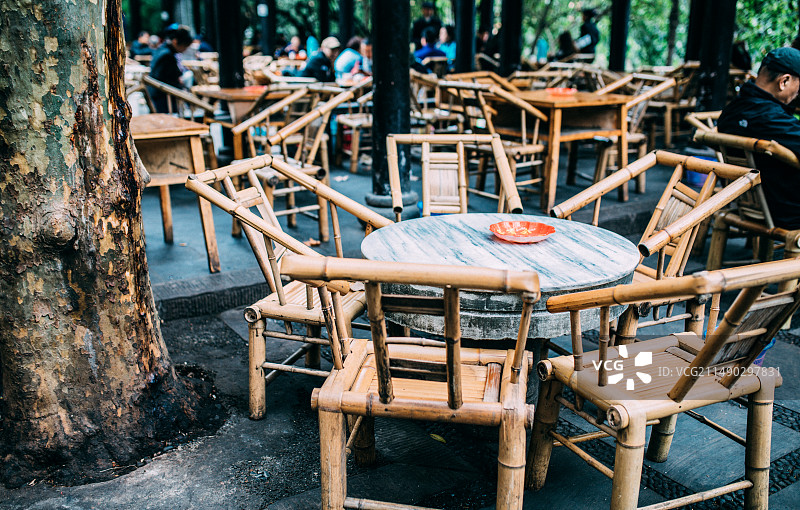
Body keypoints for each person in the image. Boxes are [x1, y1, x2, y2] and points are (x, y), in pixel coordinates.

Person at [717, 47, 800, 229]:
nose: (798, 93)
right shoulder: (773, 120)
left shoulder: (731, 111)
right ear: (784, 81)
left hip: (745, 202)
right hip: (786, 212)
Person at [148, 26, 193, 113]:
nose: (184, 50)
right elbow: (166, 78)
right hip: (163, 97)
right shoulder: (167, 55)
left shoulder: (163, 49)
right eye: (184, 46)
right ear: (175, 42)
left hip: (158, 94)